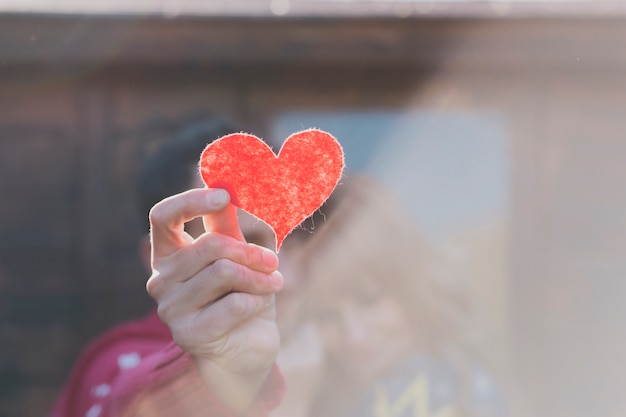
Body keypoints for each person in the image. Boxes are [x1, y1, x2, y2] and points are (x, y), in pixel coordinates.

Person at [50, 118, 316, 417]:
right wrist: (217, 375)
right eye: (243, 246)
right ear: (159, 258)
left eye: (291, 242)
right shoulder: (113, 367)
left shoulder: (343, 345)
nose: (288, 278)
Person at [296, 175, 510, 417]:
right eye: (325, 316)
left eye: (369, 300)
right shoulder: (332, 395)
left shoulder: (453, 388)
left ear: (410, 283)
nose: (355, 336)